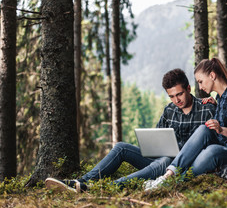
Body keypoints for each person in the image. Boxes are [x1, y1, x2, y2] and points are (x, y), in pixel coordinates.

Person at [45, 68, 216, 193]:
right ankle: (80, 182)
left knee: (165, 160)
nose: (176, 100)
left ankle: (106, 187)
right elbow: (158, 139)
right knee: (121, 147)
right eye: (171, 96)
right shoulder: (169, 110)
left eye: (179, 94)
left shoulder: (207, 109)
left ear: (188, 89)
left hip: (183, 167)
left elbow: (213, 142)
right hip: (161, 162)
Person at [144, 58, 227, 191]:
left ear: (212, 76)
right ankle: (167, 176)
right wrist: (215, 105)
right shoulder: (220, 99)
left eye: (201, 81)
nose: (200, 87)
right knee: (204, 129)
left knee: (212, 150)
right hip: (224, 148)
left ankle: (174, 183)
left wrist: (221, 129)